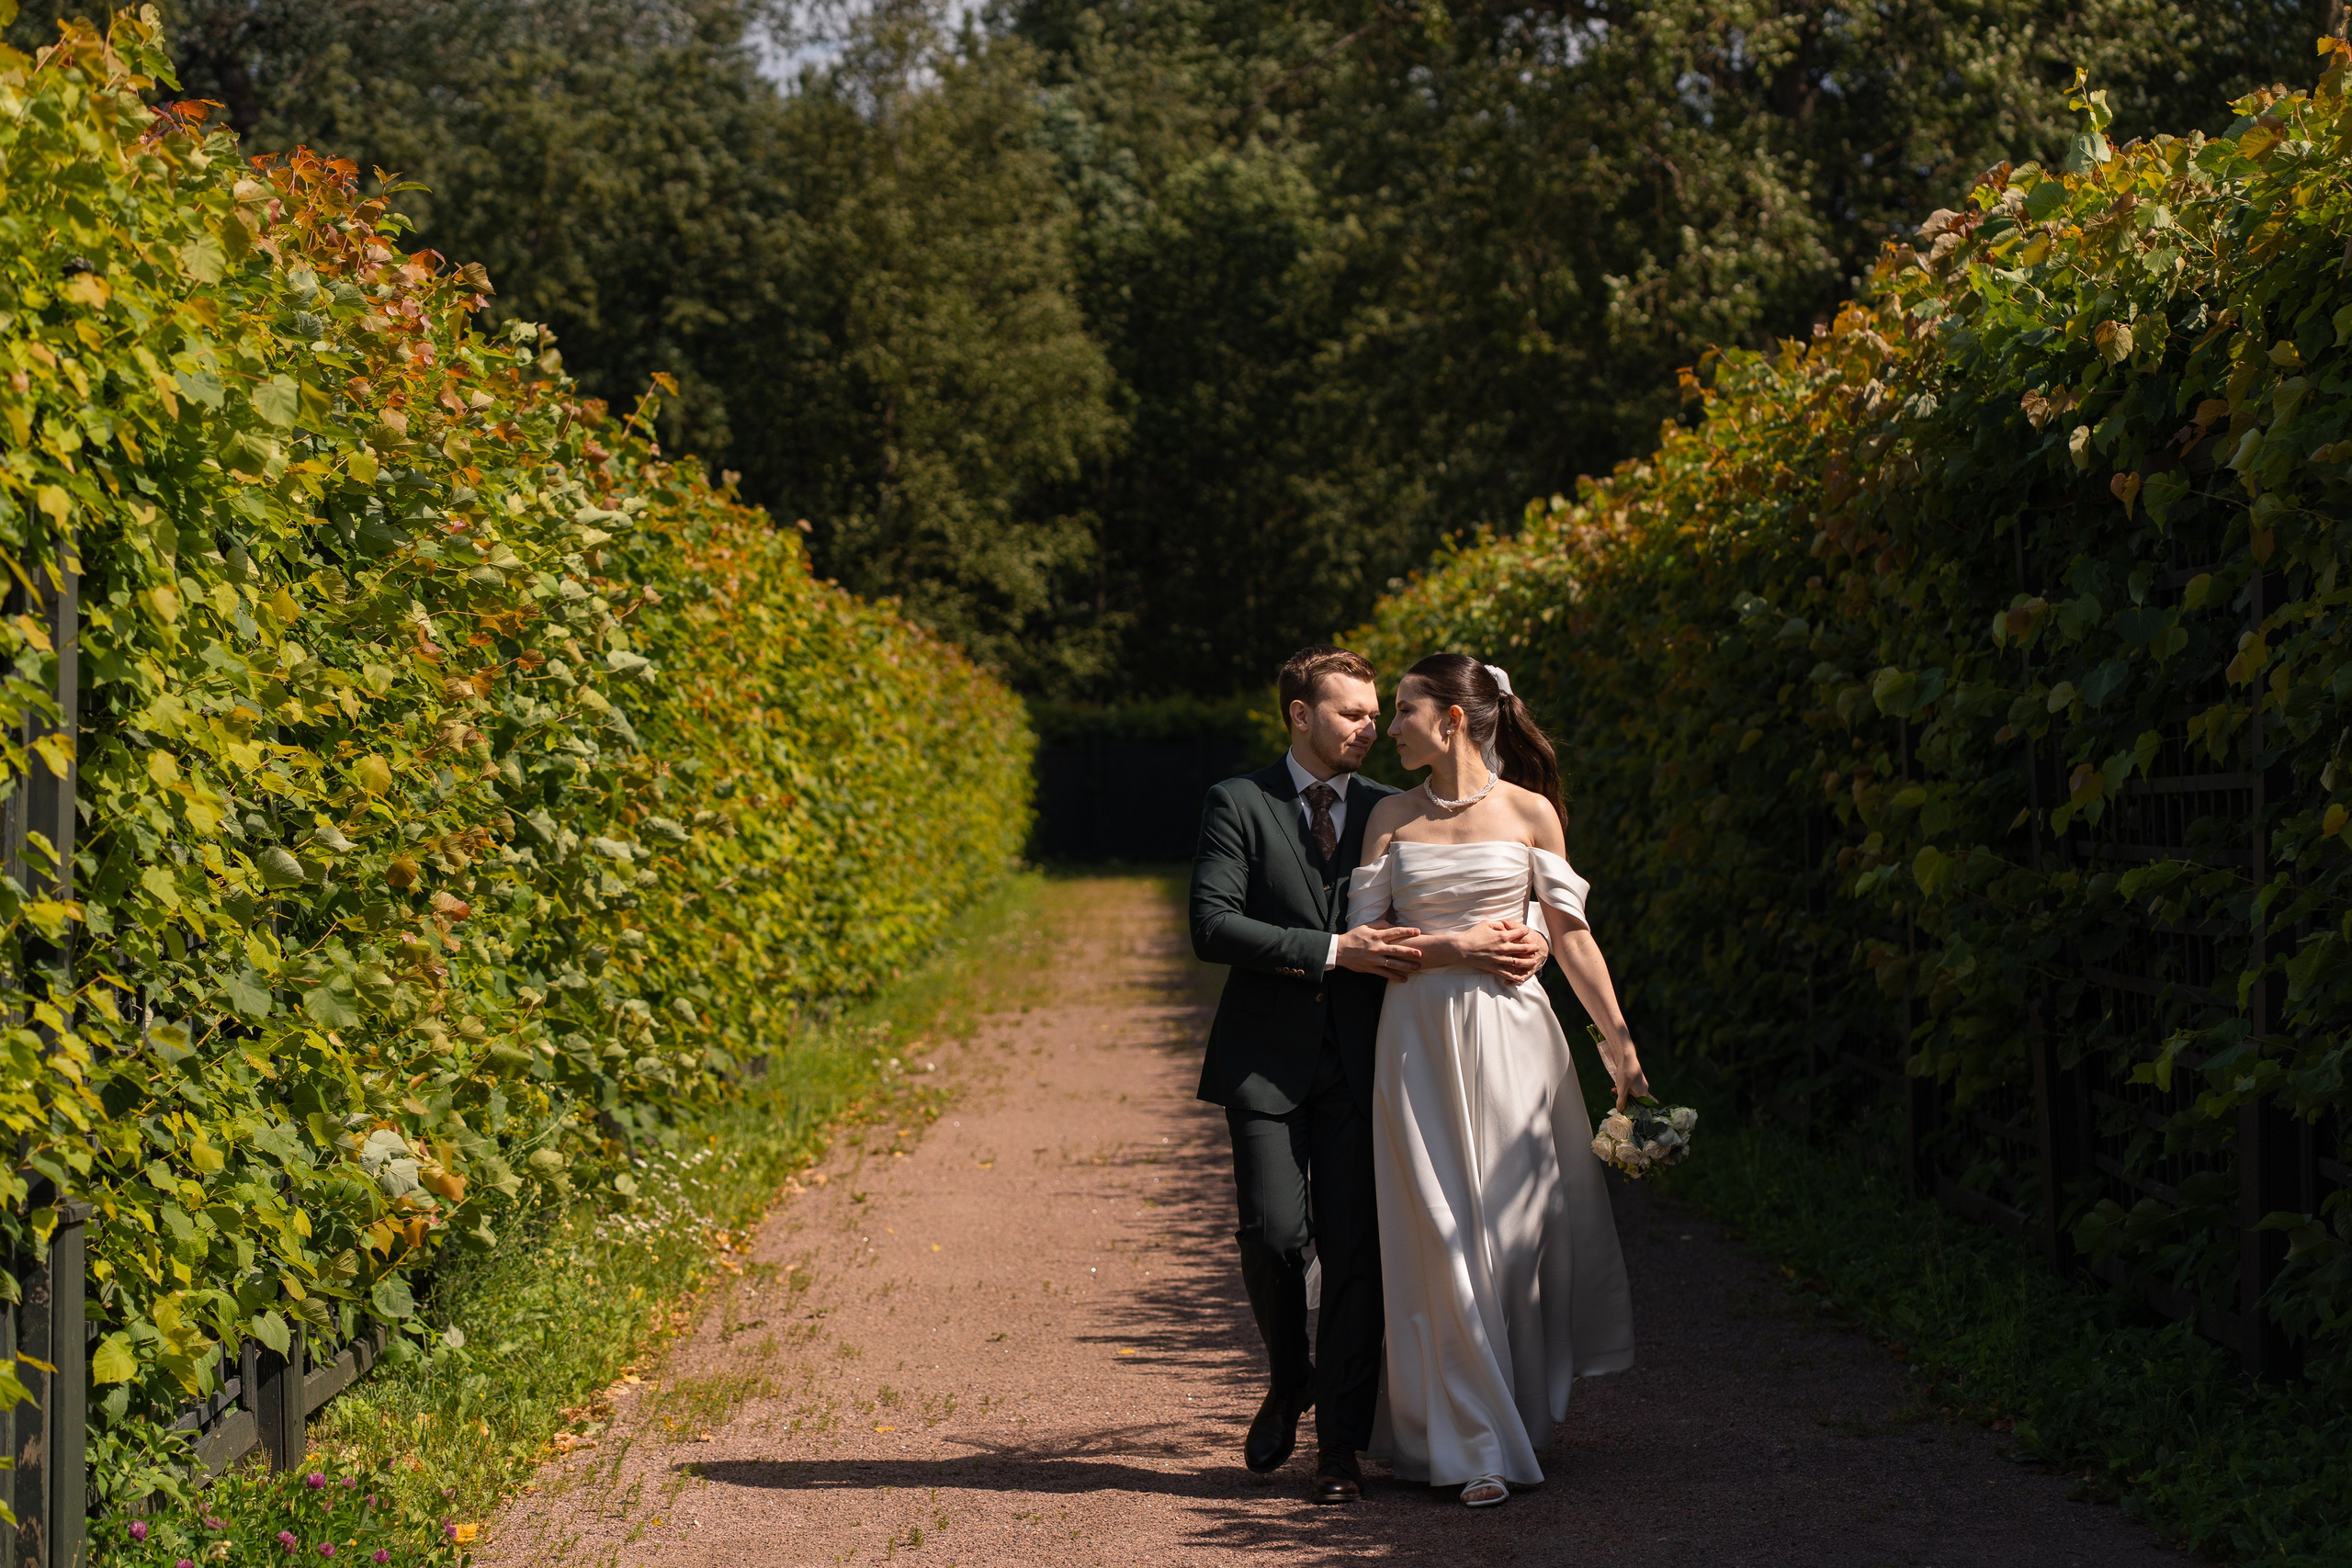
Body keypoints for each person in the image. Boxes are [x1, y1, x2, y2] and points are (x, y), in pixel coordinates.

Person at [1190, 646, 1552, 1504]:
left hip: (1371, 1058)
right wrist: (1332, 949)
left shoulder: (1396, 807)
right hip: (1264, 1059)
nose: (1369, 727)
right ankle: (1291, 1375)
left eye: (1375, 712)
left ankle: (1339, 1449)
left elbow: (1487, 871)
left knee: (1357, 1252)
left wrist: (1532, 929)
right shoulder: (1238, 801)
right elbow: (1212, 925)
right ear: (1299, 714)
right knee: (1274, 1235)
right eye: (1351, 712)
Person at [1349, 652, 1645, 1507]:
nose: (1389, 727)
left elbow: (1571, 934)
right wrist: (1456, 947)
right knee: (1437, 1233)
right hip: (1416, 1043)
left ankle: (1506, 1414)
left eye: (1404, 710)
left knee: (1515, 1236)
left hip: (1516, 1041)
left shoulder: (1530, 812)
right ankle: (1471, 1442)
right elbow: (1365, 947)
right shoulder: (1390, 818)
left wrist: (1620, 1045)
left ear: (1451, 718)